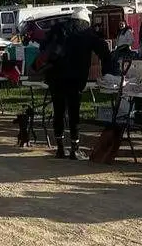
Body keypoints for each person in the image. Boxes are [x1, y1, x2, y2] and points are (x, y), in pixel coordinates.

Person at [42, 9, 111, 160]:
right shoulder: (87, 32)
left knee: (58, 111)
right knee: (74, 113)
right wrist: (108, 69)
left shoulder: (58, 28)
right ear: (86, 21)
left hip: (55, 76)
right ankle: (75, 149)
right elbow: (104, 50)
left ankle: (60, 149)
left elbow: (43, 48)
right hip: (75, 78)